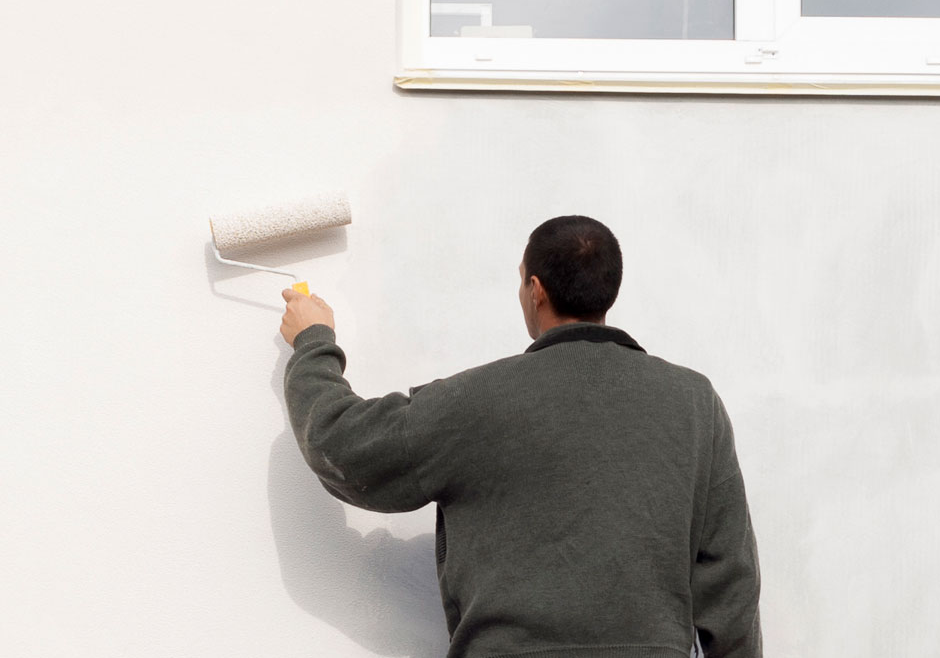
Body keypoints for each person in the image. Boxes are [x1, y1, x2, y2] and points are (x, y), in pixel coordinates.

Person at [278, 216, 761, 658]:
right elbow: (732, 585)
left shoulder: (473, 402)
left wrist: (314, 340)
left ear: (535, 290)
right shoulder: (695, 403)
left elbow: (342, 444)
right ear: (608, 291)